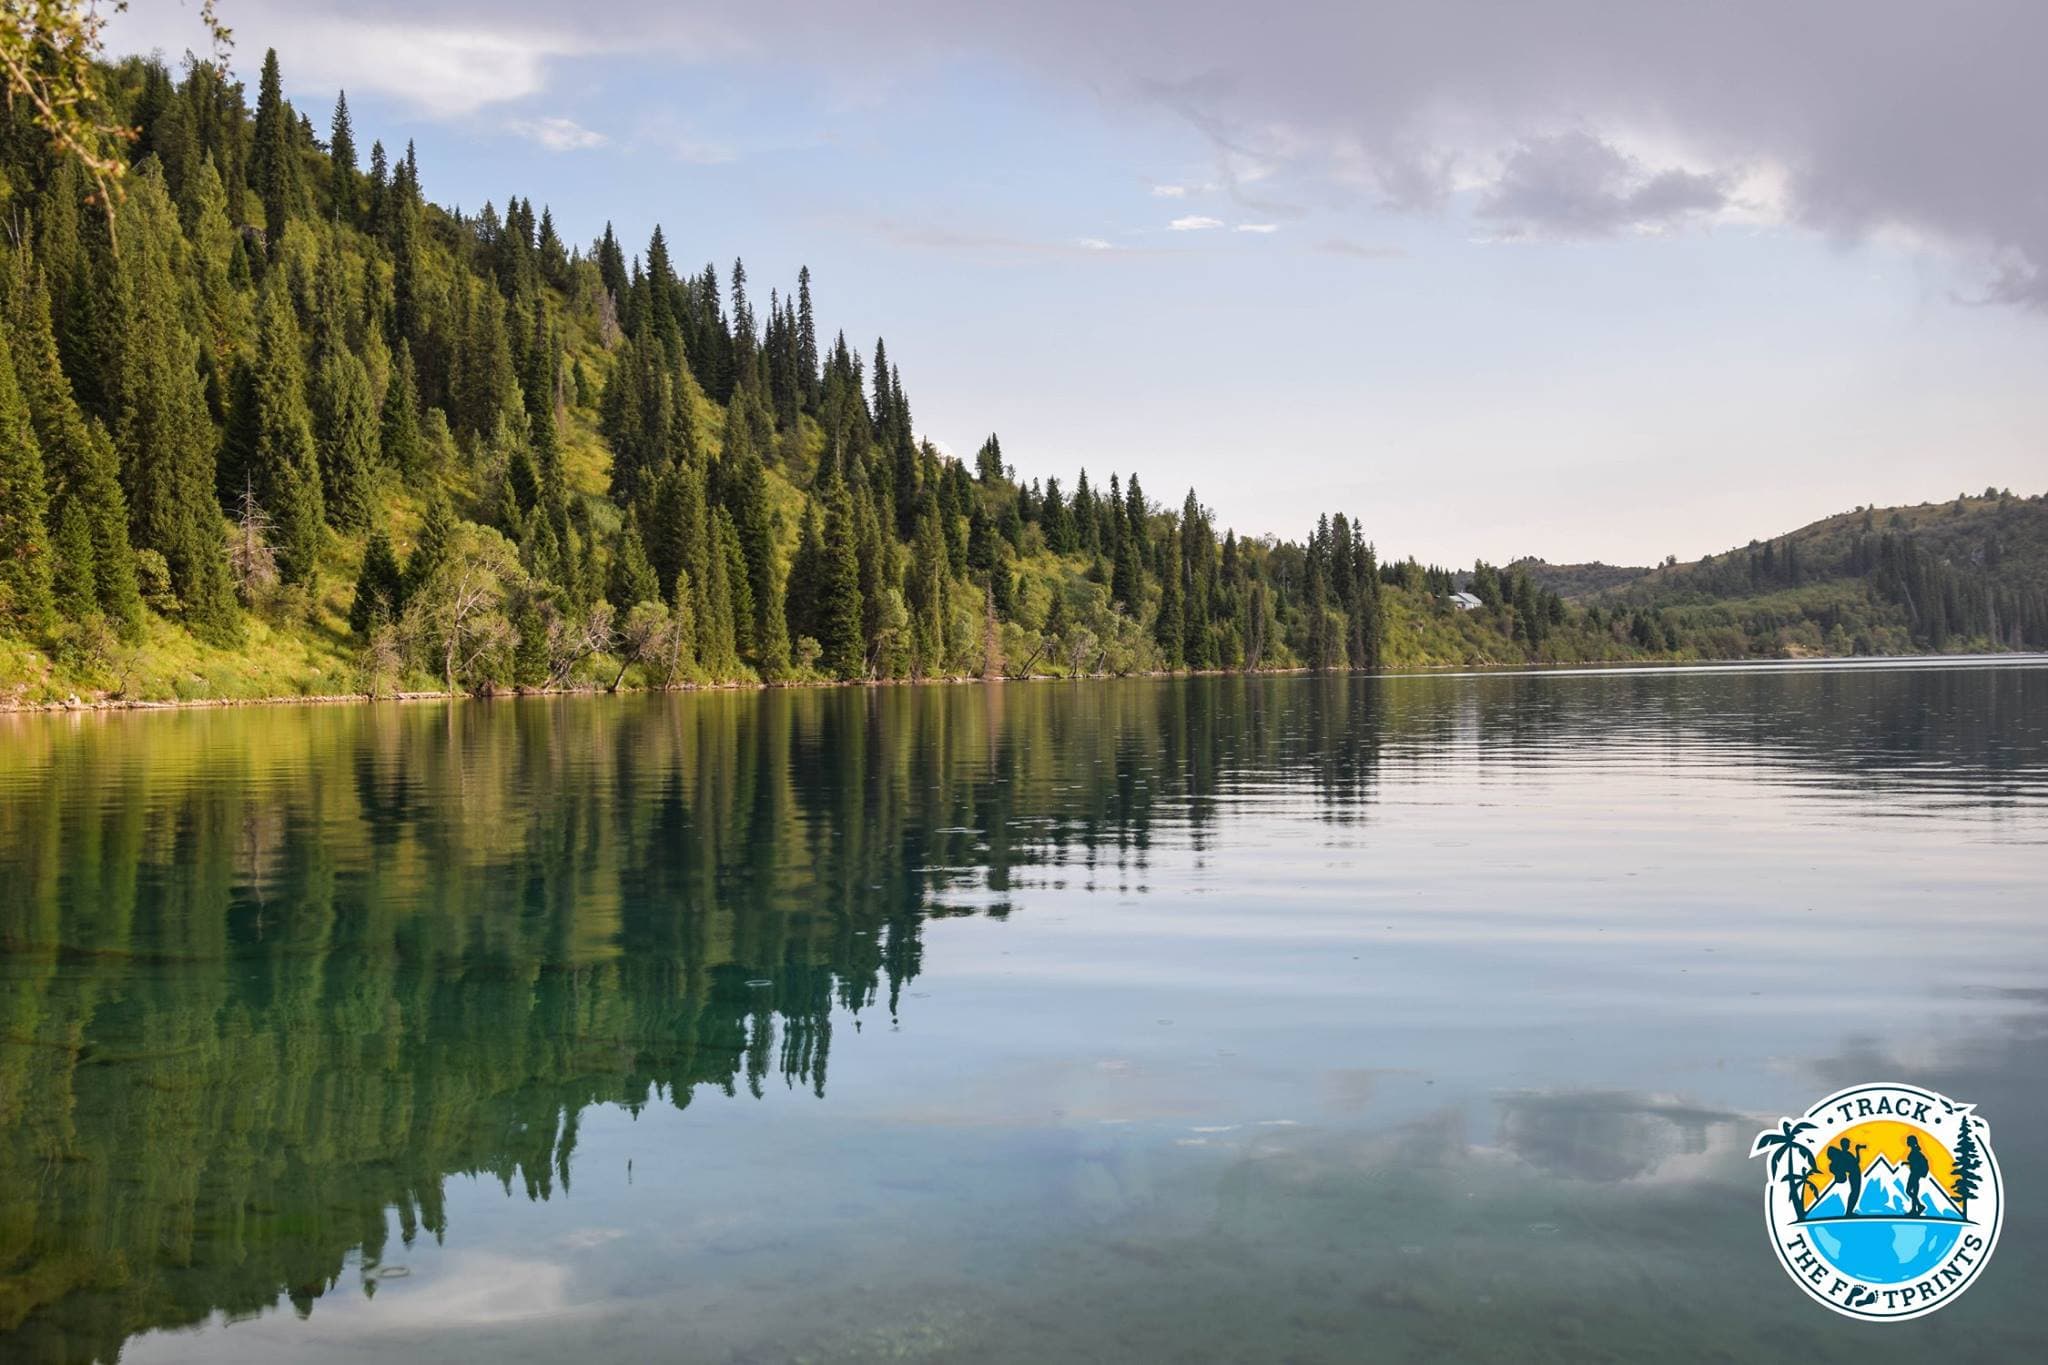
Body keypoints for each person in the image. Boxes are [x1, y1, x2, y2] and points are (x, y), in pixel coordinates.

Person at [1825, 1137, 1863, 1216]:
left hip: (1854, 1174)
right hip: (1854, 1174)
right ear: (1844, 1145)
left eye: (1848, 1144)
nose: (1849, 1145)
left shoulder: (1844, 1154)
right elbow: (1856, 1162)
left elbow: (1854, 1163)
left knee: (1854, 1193)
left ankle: (1849, 1211)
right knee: (1855, 1193)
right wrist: (1857, 1150)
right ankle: (1849, 1212)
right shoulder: (1845, 1155)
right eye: (1847, 1144)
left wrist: (1857, 1150)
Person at [1905, 1134, 1930, 1216]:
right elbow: (1914, 1162)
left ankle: (1917, 1207)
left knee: (1909, 1191)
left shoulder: (1915, 1152)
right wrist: (1906, 1163)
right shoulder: (1914, 1151)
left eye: (1908, 1141)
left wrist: (1909, 1164)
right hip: (1915, 1174)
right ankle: (1916, 1208)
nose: (1907, 1142)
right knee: (1913, 1192)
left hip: (1915, 1174)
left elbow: (1916, 1163)